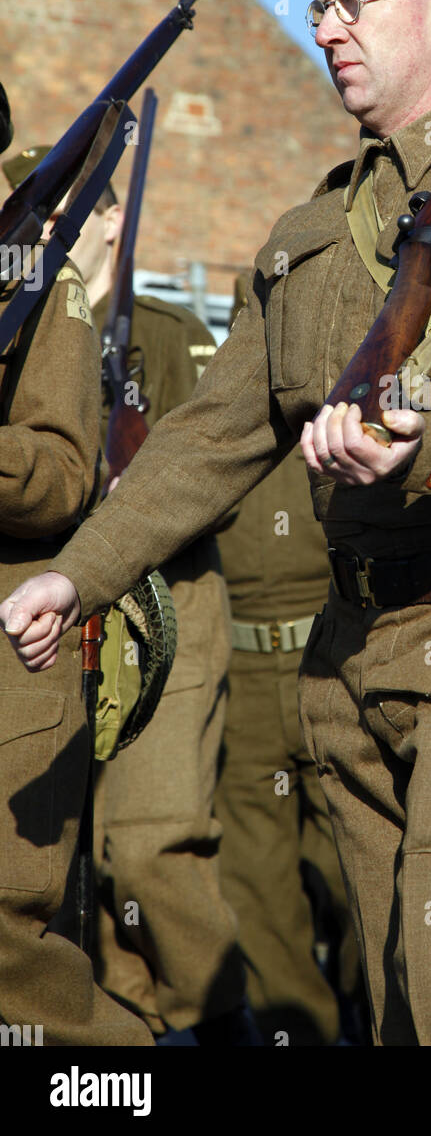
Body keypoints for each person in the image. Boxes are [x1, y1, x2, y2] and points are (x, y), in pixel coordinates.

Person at [0, 0, 431, 1045]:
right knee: (392, 1001)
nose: (323, 25)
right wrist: (77, 576)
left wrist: (421, 435)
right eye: (320, 5)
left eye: (351, 2)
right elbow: (209, 436)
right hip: (349, 663)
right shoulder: (304, 235)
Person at [2, 150, 251, 1044]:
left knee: (149, 847)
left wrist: (127, 494)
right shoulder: (17, 323)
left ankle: (220, 1025)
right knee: (50, 864)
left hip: (160, 611)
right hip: (49, 620)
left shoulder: (171, 329)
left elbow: (219, 467)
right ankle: (120, 1044)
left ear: (109, 218)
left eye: (73, 205)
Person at [0, 137, 151, 1043]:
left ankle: (116, 1078)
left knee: (9, 951)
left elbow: (60, 472)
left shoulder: (36, 281)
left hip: (13, 646)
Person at [215, 278, 363, 1045]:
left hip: (331, 652)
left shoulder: (364, 375)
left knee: (354, 866)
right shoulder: (223, 386)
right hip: (239, 666)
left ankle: (373, 1013)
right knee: (257, 882)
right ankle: (295, 1035)